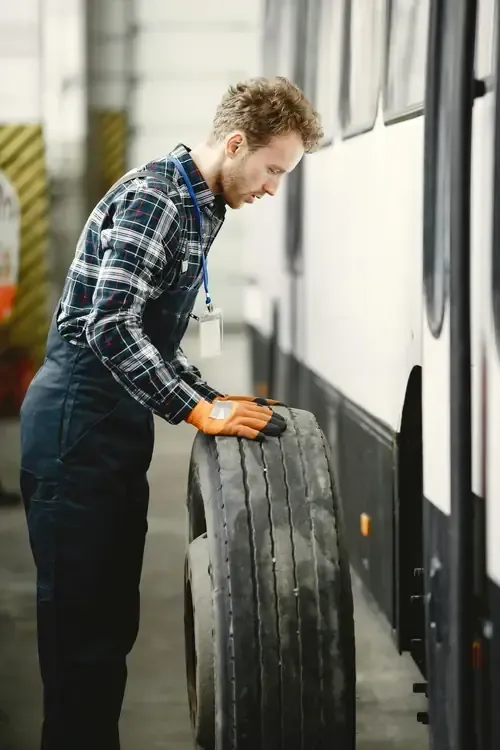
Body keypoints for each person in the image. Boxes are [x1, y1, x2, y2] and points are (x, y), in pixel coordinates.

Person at [19, 75, 323, 749]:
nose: (273, 188)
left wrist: (213, 397)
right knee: (81, 640)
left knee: (107, 623)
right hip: (76, 423)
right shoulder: (156, 199)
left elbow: (152, 341)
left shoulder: (200, 205)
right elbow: (112, 327)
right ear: (237, 143)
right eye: (272, 169)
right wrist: (194, 409)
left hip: (112, 425)